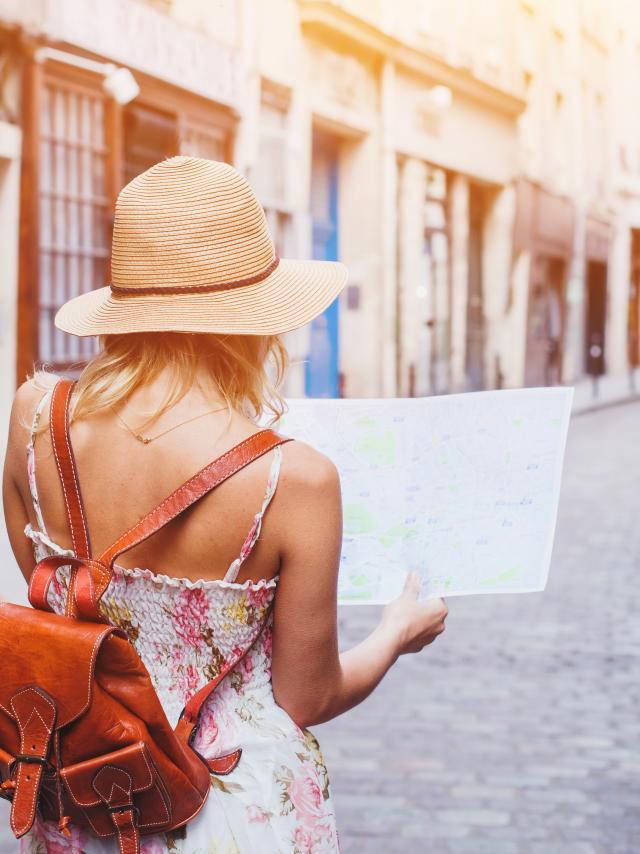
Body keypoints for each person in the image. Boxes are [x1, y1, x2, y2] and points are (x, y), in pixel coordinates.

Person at [2, 157, 447, 853]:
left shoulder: (35, 419)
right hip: (232, 812)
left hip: (82, 799)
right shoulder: (293, 479)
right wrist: (395, 633)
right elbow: (308, 699)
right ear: (252, 320)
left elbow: (57, 600)